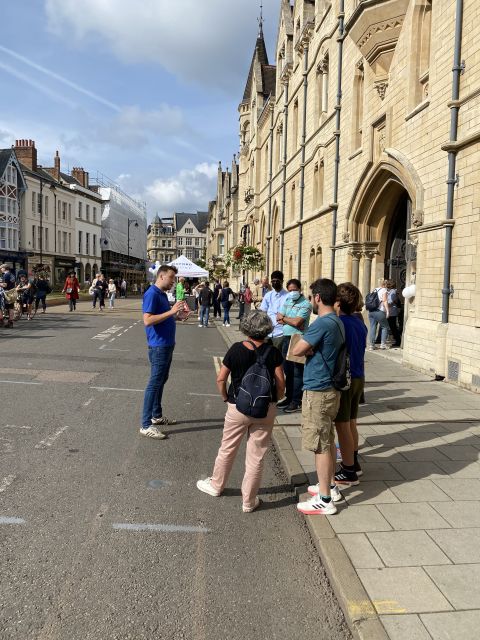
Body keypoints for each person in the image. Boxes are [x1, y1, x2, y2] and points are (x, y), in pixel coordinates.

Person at [196, 310, 285, 512]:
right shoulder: (273, 353)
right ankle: (249, 501)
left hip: (237, 406)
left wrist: (226, 397)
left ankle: (216, 485)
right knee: (256, 456)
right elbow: (281, 383)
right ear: (267, 330)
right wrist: (275, 401)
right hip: (265, 409)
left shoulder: (236, 349)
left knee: (227, 448)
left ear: (246, 327)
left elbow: (221, 378)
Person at [292, 278, 345, 516]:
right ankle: (330, 486)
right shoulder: (338, 321)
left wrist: (308, 347)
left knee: (320, 445)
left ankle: (324, 500)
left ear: (317, 298)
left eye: (312, 296)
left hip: (318, 390)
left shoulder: (321, 323)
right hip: (331, 389)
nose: (311, 300)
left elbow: (296, 350)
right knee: (328, 438)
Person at [329, 283, 367, 492]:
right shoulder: (358, 321)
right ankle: (354, 462)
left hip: (346, 378)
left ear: (337, 302)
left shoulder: (340, 323)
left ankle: (349, 471)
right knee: (352, 421)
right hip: (359, 376)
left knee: (342, 425)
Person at [140, 264, 184, 439]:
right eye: (171, 277)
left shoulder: (162, 294)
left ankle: (156, 416)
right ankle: (145, 424)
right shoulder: (152, 294)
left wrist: (176, 315)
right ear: (161, 276)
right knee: (154, 383)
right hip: (158, 346)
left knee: (161, 380)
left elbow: (163, 316)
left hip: (166, 344)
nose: (173, 281)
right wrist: (172, 311)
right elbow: (148, 320)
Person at [276, 278, 312, 413]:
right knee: (288, 371)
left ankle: (296, 401)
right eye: (290, 290)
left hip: (298, 338)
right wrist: (288, 320)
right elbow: (277, 316)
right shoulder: (287, 300)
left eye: (294, 290)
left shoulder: (306, 304)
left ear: (300, 289)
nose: (292, 292)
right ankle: (289, 396)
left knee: (297, 372)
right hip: (286, 338)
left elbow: (298, 323)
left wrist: (284, 319)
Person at [260, 270, 288, 350]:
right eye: (273, 281)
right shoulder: (268, 295)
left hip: (280, 333)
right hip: (268, 332)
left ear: (282, 281)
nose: (275, 283)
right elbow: (263, 312)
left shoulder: (287, 296)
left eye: (277, 281)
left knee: (278, 357)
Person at [368, 279, 390, 350]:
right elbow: (385, 301)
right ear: (385, 284)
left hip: (371, 311)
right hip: (379, 311)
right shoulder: (384, 290)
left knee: (372, 327)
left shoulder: (374, 290)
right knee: (385, 327)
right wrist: (387, 311)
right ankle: (382, 345)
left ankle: (371, 345)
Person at [386, 280, 402, 347]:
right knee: (392, 327)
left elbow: (390, 302)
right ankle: (396, 340)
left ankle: (398, 341)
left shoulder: (393, 292)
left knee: (393, 327)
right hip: (391, 311)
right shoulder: (390, 292)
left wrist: (384, 302)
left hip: (392, 312)